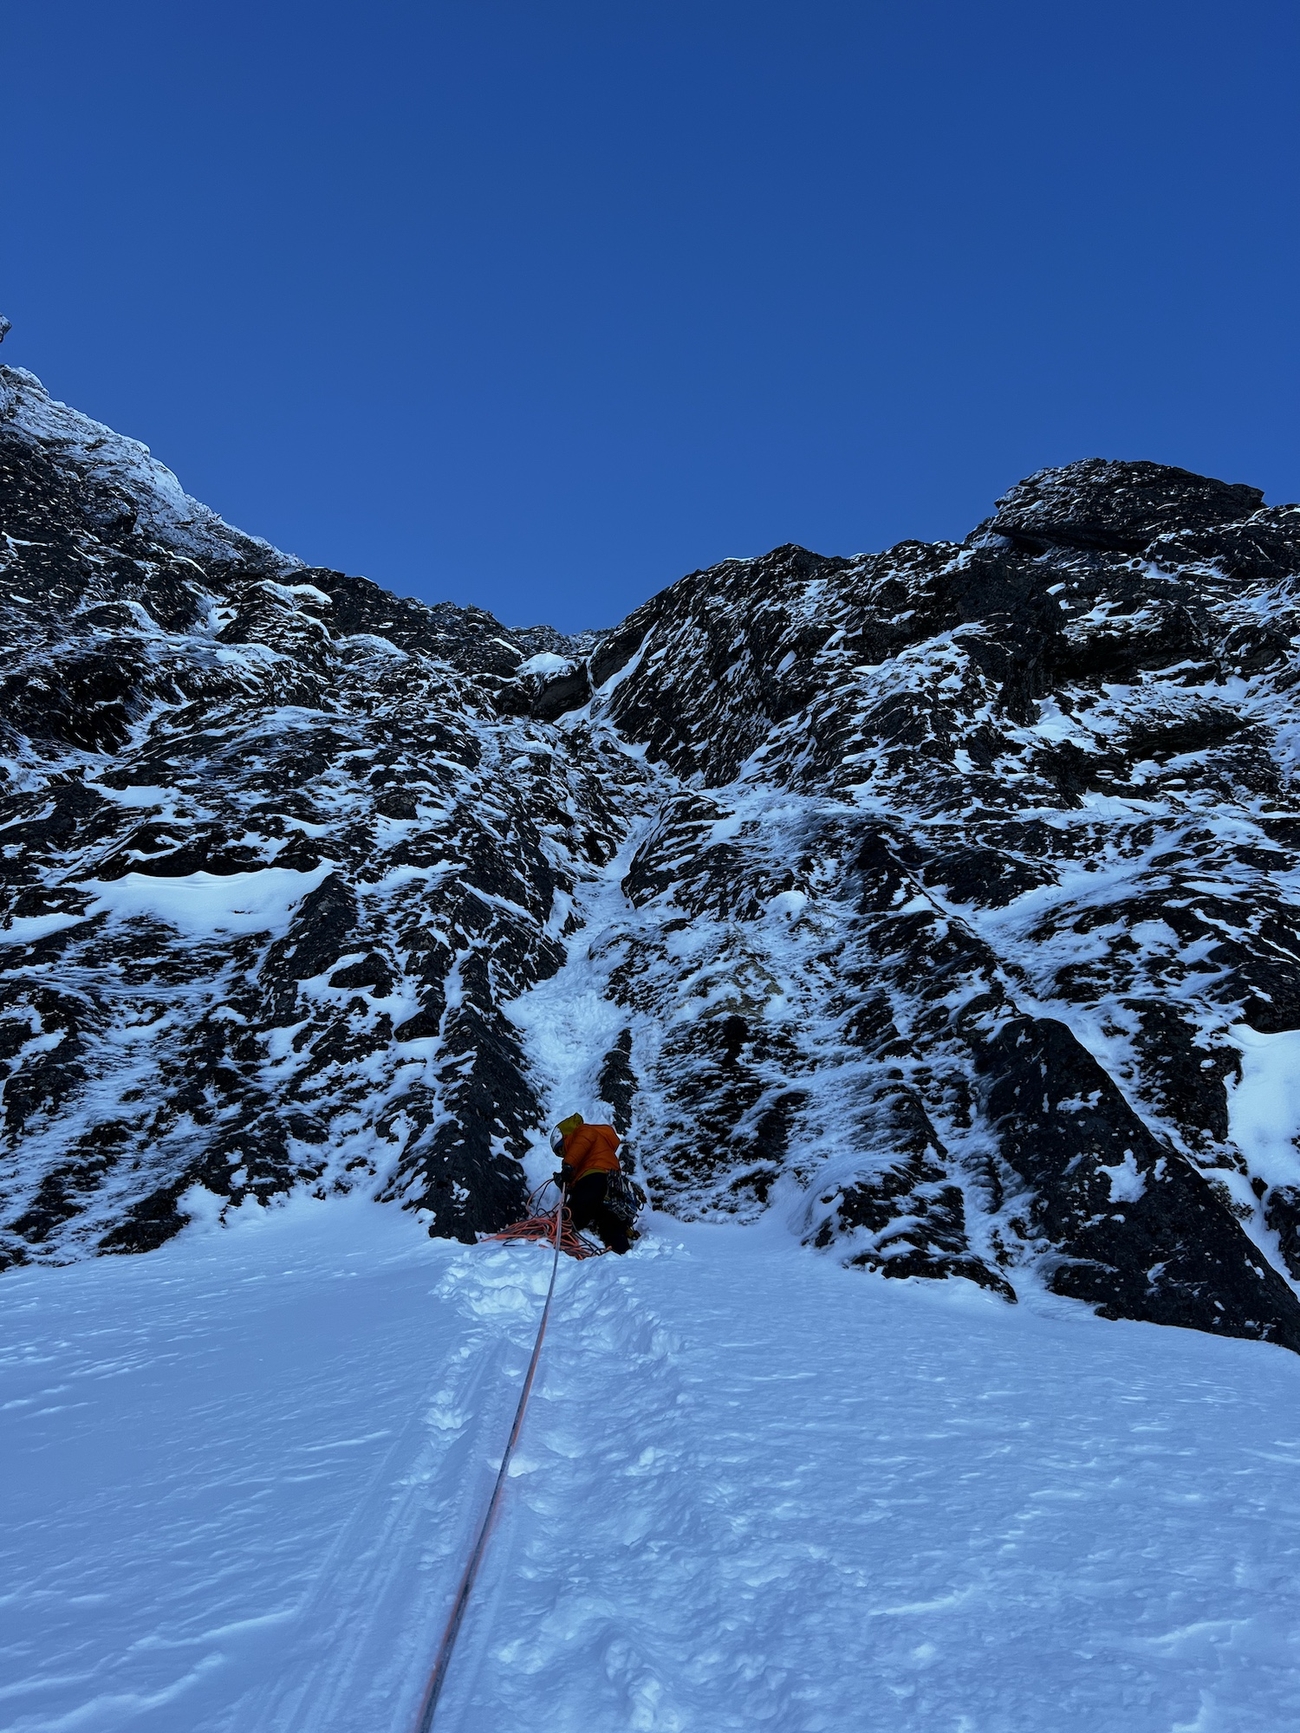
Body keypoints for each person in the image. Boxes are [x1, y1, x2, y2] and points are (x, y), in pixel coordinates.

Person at [551, 1112, 631, 1254]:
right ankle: (622, 1254)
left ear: (562, 1138)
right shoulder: (593, 1151)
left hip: (595, 1177)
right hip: (612, 1182)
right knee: (609, 1221)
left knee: (573, 1212)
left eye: (560, 1150)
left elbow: (583, 1141)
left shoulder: (583, 1131)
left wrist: (568, 1165)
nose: (562, 1154)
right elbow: (578, 1178)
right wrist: (566, 1184)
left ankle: (554, 1234)